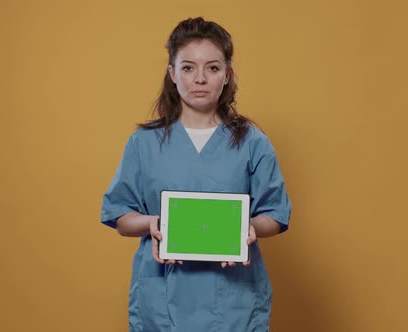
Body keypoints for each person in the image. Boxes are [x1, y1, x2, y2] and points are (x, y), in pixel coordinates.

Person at [101, 17, 291, 332]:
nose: (200, 78)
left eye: (212, 68)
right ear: (172, 73)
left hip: (233, 301)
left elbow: (275, 214)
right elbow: (119, 214)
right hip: (163, 298)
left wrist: (246, 228)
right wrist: (153, 223)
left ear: (226, 75)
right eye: (188, 67)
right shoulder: (144, 143)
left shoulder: (252, 142)